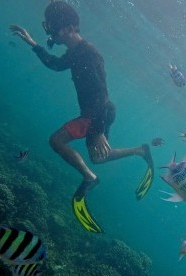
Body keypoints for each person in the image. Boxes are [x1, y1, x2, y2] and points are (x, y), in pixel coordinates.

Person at [9, 1, 153, 233]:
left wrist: (96, 131)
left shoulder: (88, 54)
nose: (51, 34)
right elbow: (55, 65)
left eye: (53, 29)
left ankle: (89, 178)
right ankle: (140, 150)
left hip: (97, 112)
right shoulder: (76, 52)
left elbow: (101, 94)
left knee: (56, 141)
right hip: (99, 112)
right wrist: (33, 43)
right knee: (97, 158)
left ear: (67, 28)